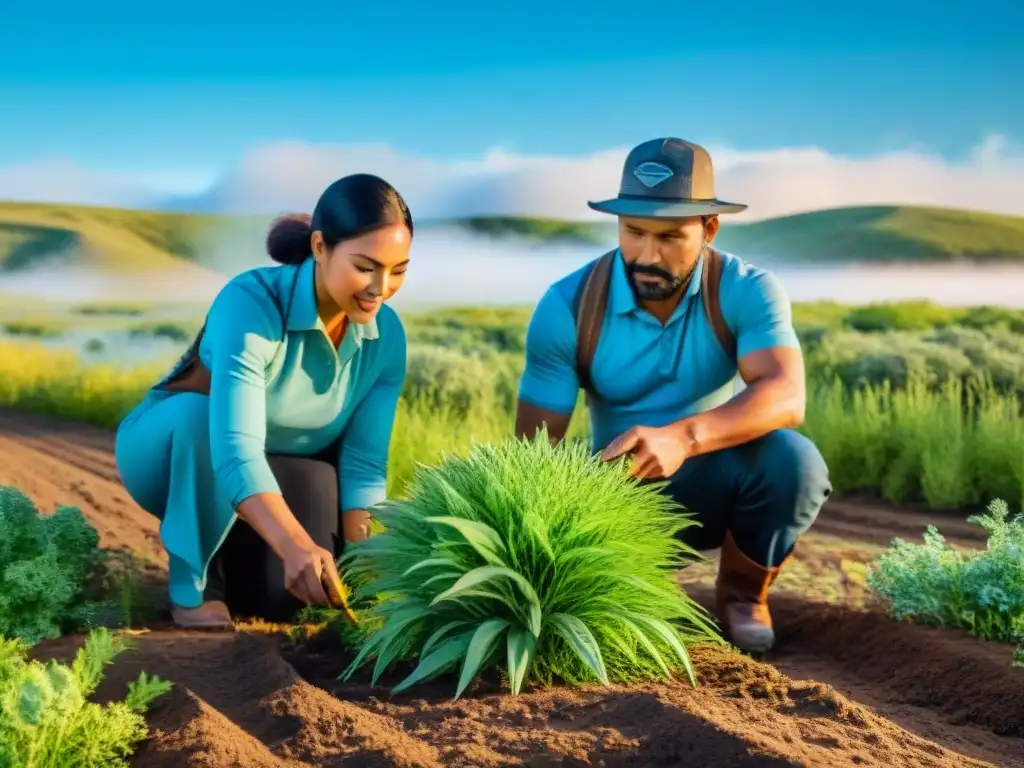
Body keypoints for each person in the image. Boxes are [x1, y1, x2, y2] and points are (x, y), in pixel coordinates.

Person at [514, 138, 832, 653]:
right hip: (612, 491)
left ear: (709, 229)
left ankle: (741, 596)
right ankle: (636, 583)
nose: (647, 254)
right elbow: (533, 450)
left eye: (669, 237)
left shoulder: (747, 289)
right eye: (633, 232)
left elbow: (786, 394)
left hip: (714, 477)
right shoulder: (565, 305)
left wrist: (684, 437)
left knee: (794, 462)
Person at [115, 173, 411, 630]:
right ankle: (194, 585)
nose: (380, 287)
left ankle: (243, 567)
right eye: (365, 267)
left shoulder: (386, 337)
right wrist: (293, 544)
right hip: (177, 446)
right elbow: (234, 448)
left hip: (280, 462)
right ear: (319, 247)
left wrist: (366, 570)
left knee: (290, 597)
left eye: (398, 270)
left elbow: (364, 465)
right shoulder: (251, 302)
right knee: (198, 418)